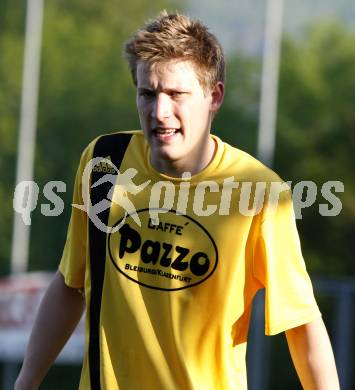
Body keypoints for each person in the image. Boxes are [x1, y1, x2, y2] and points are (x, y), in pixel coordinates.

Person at [15, 11, 339, 390]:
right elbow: (72, 283)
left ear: (213, 95)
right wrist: (26, 382)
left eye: (175, 94)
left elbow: (301, 324)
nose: (159, 111)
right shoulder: (104, 162)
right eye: (147, 93)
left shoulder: (260, 192)